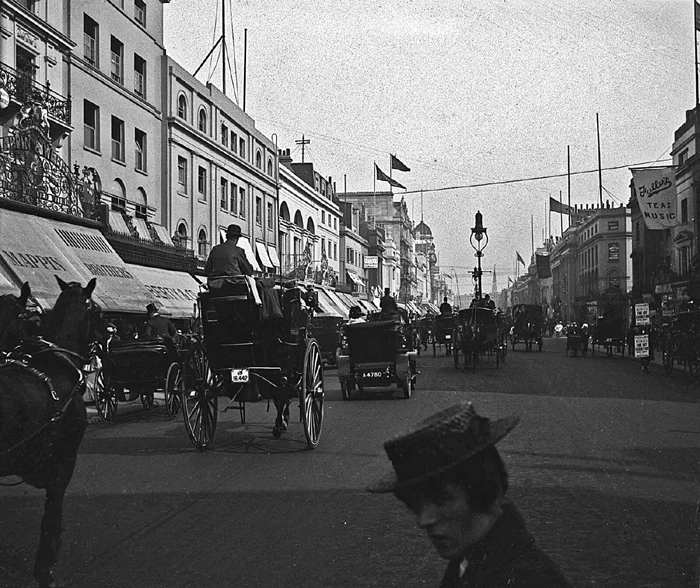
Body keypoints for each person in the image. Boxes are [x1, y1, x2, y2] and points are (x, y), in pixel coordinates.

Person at [368, 402, 572, 588]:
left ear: (485, 491)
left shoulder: (527, 579)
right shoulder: (472, 559)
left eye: (441, 499)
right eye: (415, 504)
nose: (424, 519)